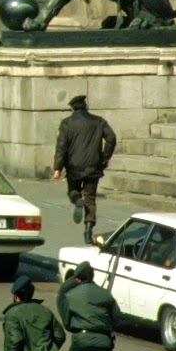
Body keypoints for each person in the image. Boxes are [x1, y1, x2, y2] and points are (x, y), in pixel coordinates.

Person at [53, 94, 116, 245]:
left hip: (73, 167)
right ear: (85, 106)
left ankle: (76, 200)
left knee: (73, 191)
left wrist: (57, 168)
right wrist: (105, 156)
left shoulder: (67, 123)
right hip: (93, 167)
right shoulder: (99, 121)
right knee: (90, 199)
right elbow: (111, 138)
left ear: (72, 108)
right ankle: (88, 231)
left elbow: (61, 148)